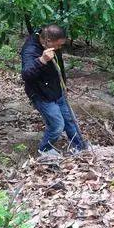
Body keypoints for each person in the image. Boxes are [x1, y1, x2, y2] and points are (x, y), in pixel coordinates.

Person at [20, 24, 87, 157]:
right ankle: (44, 150)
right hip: (41, 94)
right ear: (48, 40)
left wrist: (63, 85)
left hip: (57, 89)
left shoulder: (51, 44)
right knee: (57, 126)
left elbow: (58, 66)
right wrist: (42, 60)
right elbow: (26, 74)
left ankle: (80, 148)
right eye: (58, 45)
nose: (59, 48)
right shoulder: (30, 49)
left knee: (70, 120)